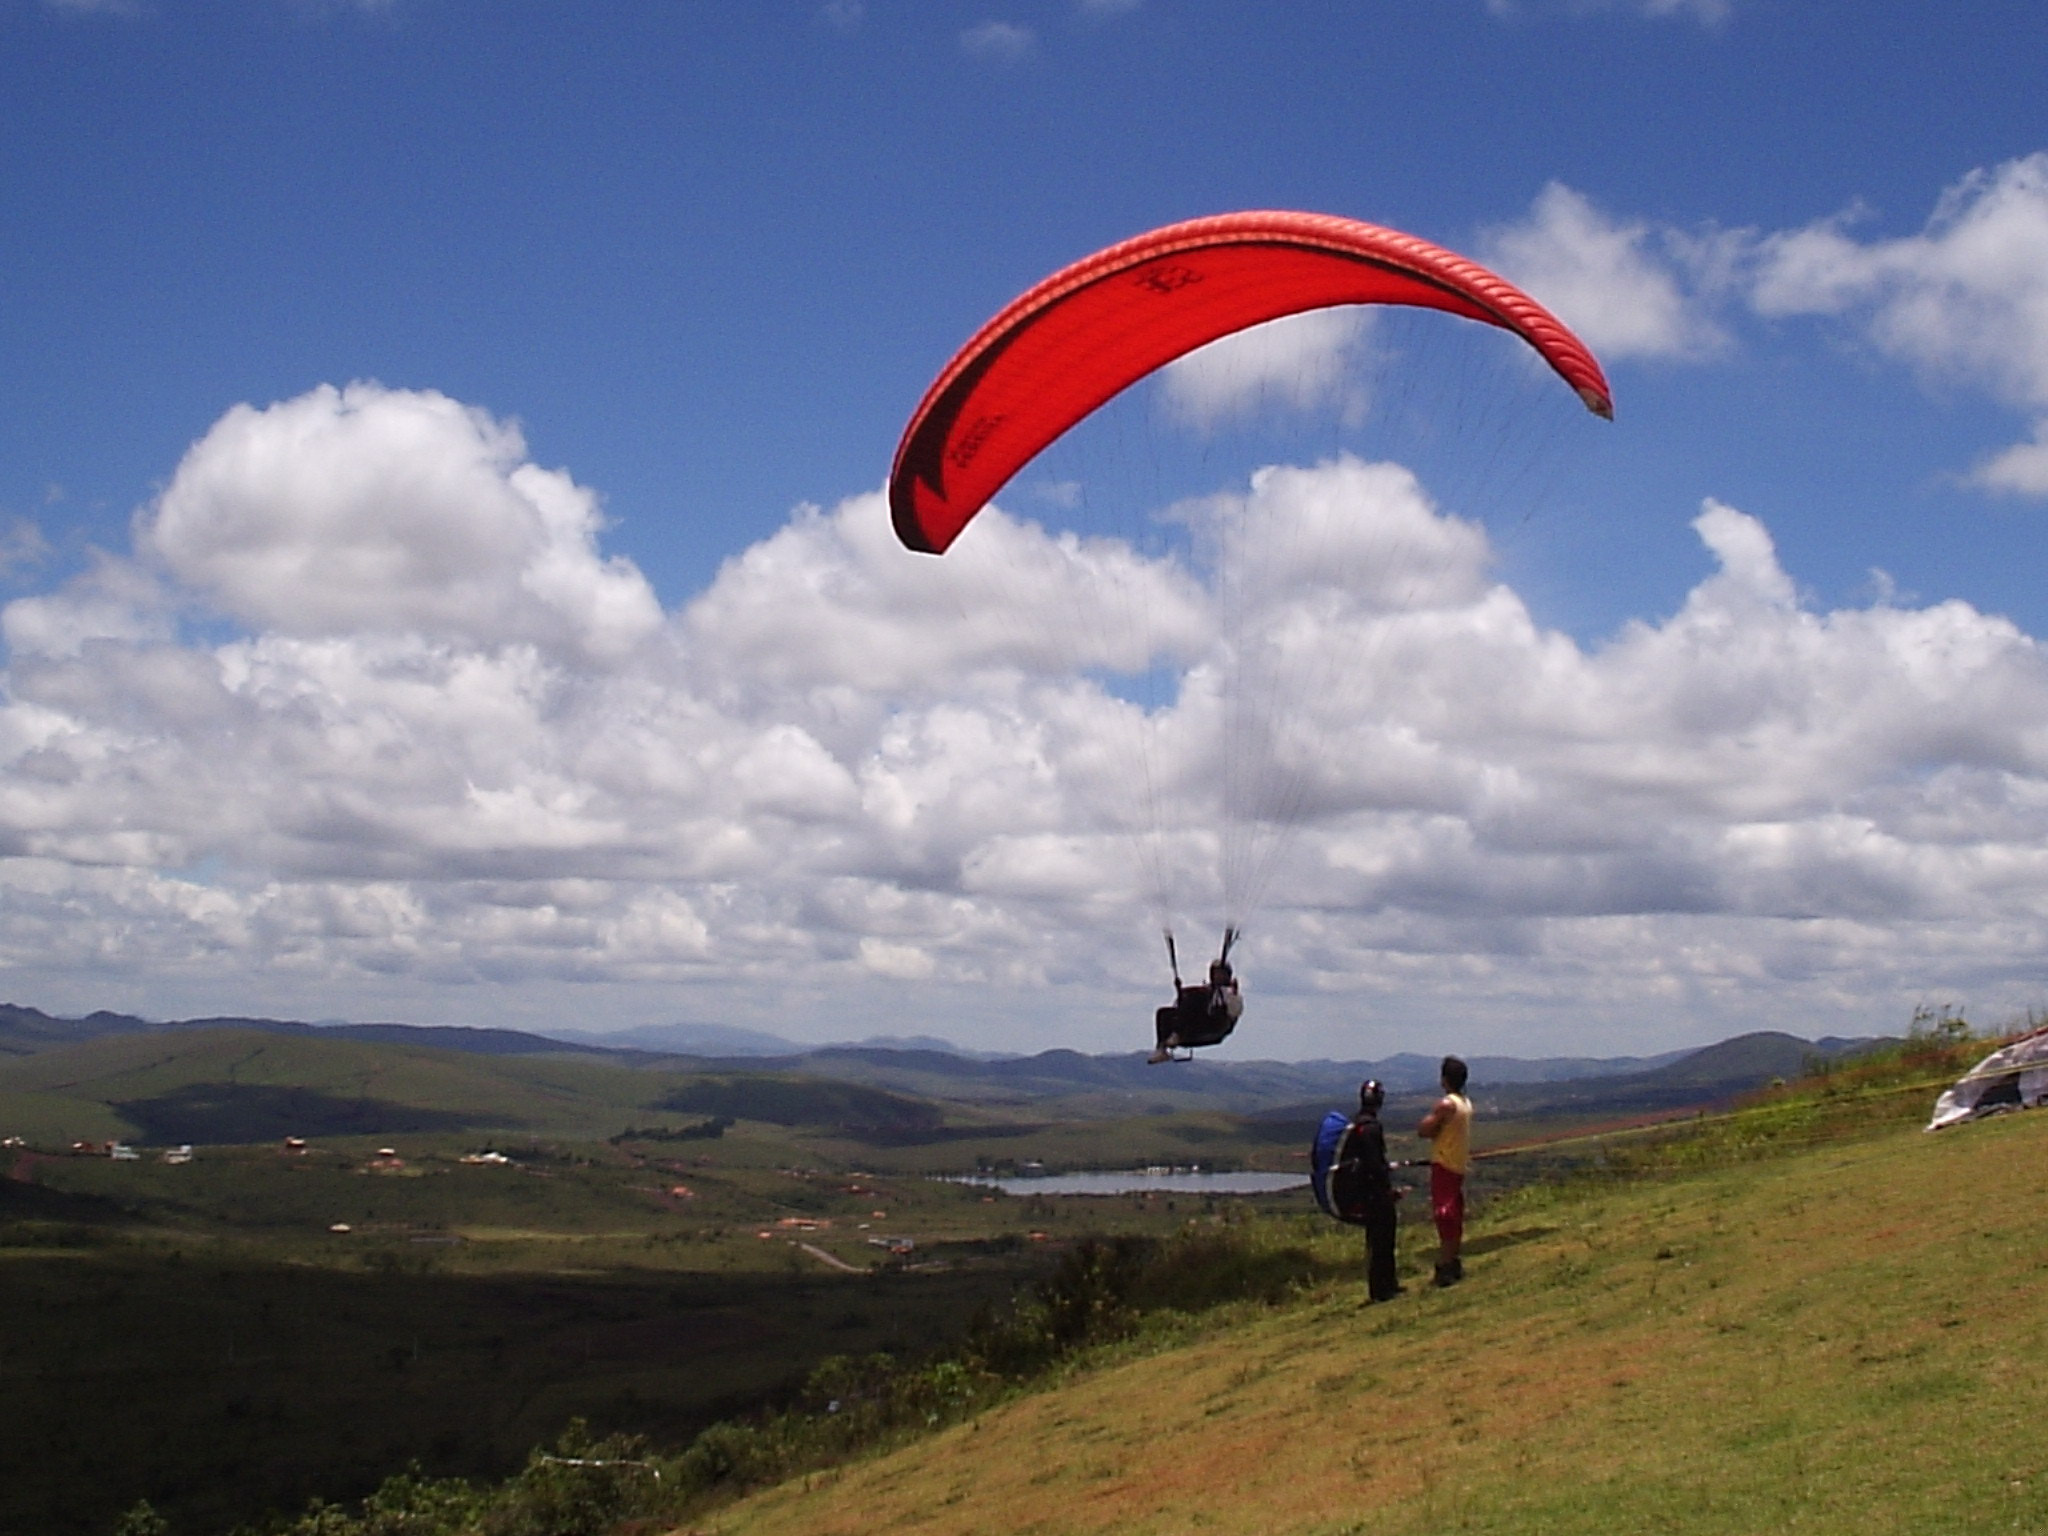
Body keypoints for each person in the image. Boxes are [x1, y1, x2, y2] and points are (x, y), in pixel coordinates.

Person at [1335, 1079, 1402, 1302]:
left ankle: (1383, 1286)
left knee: (1375, 1240)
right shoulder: (1371, 1127)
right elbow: (1375, 1165)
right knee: (1384, 1239)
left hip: (1363, 1191)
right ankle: (1384, 1288)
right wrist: (1389, 1189)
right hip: (1375, 1193)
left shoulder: (1357, 1125)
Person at [1416, 1055, 1472, 1287]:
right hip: (1457, 1163)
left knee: (1445, 1214)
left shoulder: (1447, 1105)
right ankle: (1453, 1260)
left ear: (1445, 1079)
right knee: (1454, 1212)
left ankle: (1446, 1264)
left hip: (1445, 1163)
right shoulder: (1465, 1103)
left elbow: (1425, 1129)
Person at [1147, 957, 1244, 1063]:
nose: (1218, 977)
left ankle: (1178, 1034)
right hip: (1196, 1027)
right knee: (1163, 1013)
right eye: (1215, 974)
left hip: (1217, 1026)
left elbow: (1235, 1013)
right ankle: (1162, 1048)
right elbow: (1181, 1006)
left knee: (1195, 999)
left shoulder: (1229, 992)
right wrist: (1181, 994)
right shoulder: (1207, 990)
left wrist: (1232, 996)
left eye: (1221, 974)